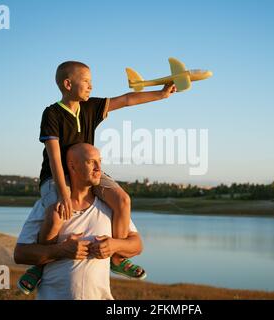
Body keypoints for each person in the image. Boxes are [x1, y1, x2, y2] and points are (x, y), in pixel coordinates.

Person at [17, 60, 176, 294]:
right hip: (56, 175)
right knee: (55, 213)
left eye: (92, 82)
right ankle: (40, 265)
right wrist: (63, 192)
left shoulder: (90, 107)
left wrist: (161, 95)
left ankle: (117, 259)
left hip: (87, 171)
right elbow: (53, 157)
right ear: (68, 84)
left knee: (122, 200)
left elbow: (126, 99)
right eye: (86, 82)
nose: (91, 86)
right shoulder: (51, 113)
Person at [14, 143, 144, 300]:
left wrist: (114, 245)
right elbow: (20, 254)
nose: (99, 168)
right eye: (91, 162)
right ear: (72, 166)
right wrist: (61, 251)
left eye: (100, 161)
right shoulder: (48, 206)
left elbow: (136, 245)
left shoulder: (110, 205)